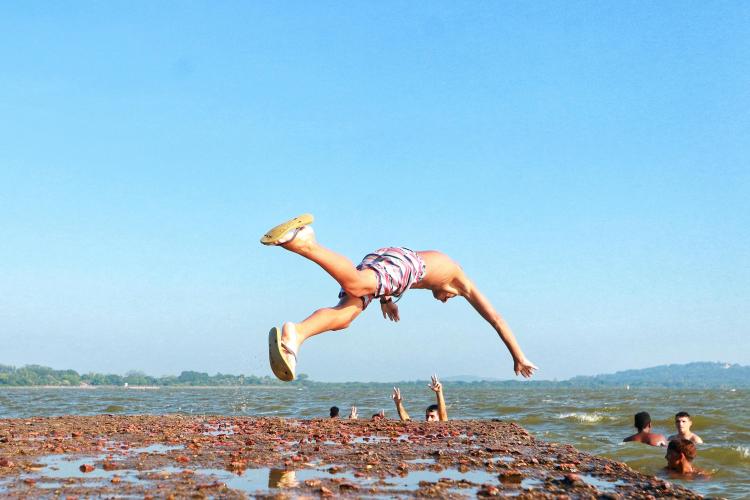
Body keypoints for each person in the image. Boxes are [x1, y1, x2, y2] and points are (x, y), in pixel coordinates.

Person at [262, 214, 537, 381]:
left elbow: (389, 271)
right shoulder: (461, 282)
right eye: (448, 298)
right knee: (357, 285)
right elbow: (497, 319)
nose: (445, 299)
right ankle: (306, 242)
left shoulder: (432, 271)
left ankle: (297, 334)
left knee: (346, 314)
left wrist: (386, 299)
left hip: (390, 258)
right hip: (406, 263)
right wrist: (519, 356)